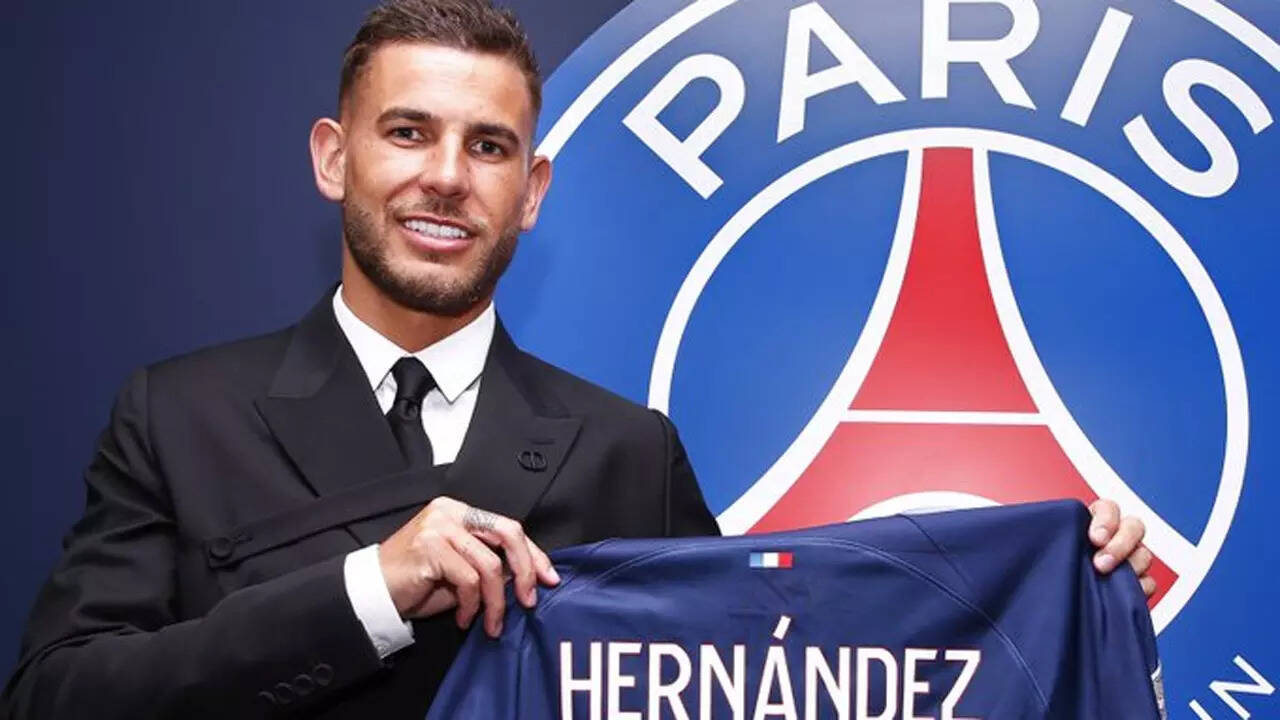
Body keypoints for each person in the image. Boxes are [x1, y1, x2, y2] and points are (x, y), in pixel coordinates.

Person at [1, 1, 1154, 718]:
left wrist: (1054, 578)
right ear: (332, 157)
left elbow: (778, 677)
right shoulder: (178, 414)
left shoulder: (626, 450)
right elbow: (57, 696)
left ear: (531, 191)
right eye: (407, 132)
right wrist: (369, 591)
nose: (445, 176)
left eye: (488, 146)